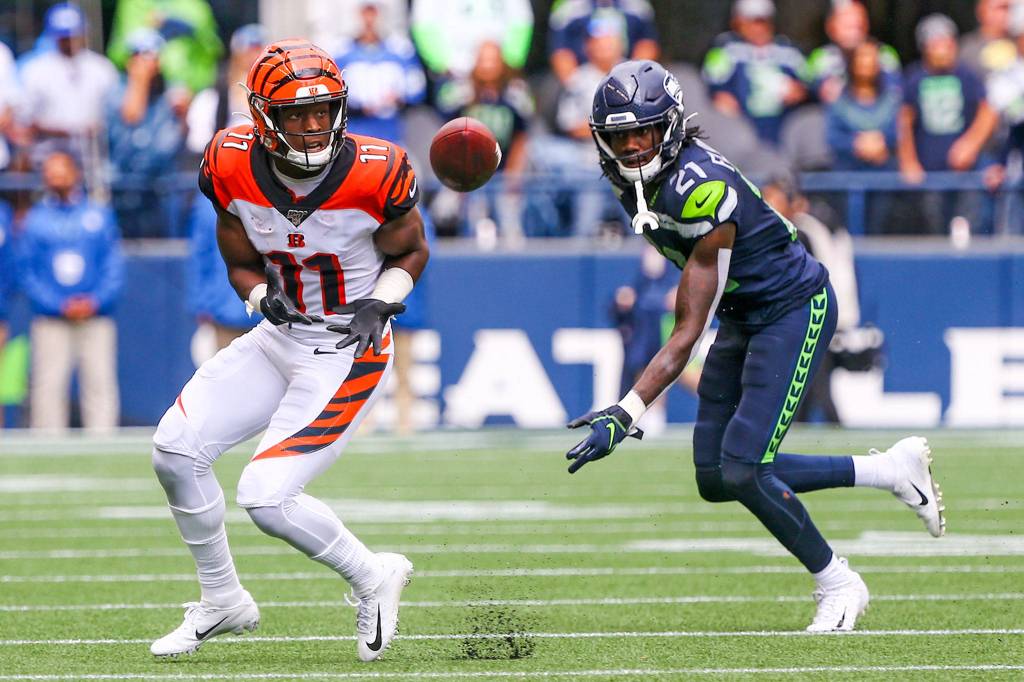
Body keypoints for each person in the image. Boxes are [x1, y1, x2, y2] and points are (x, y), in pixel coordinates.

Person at [566, 60, 946, 632]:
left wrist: (625, 412)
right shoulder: (632, 180)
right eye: (620, 137)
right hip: (747, 313)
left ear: (668, 127)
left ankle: (838, 580)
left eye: (643, 133)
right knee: (717, 475)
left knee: (745, 467)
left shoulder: (701, 190)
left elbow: (687, 333)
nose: (634, 148)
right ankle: (890, 470)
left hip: (794, 307)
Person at [149, 40, 426, 662]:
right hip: (280, 336)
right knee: (173, 449)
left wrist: (384, 299)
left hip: (346, 349)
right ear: (262, 115)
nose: (312, 126)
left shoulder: (376, 168)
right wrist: (254, 295)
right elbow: (240, 256)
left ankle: (372, 573)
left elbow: (412, 250)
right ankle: (223, 600)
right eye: (296, 114)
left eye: (323, 110)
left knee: (266, 495)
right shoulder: (229, 159)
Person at [19, 151, 122, 431]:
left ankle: (104, 448)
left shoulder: (98, 215)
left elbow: (112, 265)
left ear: (75, 173)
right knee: (48, 386)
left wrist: (95, 300)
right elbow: (28, 272)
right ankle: (47, 455)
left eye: (62, 169)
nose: (56, 176)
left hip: (95, 316)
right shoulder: (35, 220)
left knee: (99, 383)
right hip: (52, 319)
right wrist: (57, 304)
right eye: (50, 171)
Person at [898, 13, 999, 234]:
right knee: (932, 228)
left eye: (948, 42)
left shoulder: (966, 75)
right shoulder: (914, 78)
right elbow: (904, 121)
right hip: (929, 172)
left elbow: (988, 111)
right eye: (937, 43)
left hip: (964, 174)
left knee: (969, 227)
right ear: (925, 47)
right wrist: (909, 161)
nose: (944, 48)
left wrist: (971, 144)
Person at [106, 28, 187, 238]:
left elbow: (175, 141)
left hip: (161, 188)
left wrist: (183, 114)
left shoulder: (169, 92)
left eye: (154, 56)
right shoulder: (116, 91)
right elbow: (131, 117)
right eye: (142, 55)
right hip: (124, 188)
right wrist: (140, 80)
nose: (150, 62)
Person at [16, 3, 118, 168]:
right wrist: (58, 129)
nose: (70, 41)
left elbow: (113, 114)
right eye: (64, 36)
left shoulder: (101, 67)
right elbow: (24, 118)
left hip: (91, 157)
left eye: (74, 35)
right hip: (47, 156)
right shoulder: (35, 68)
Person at [701, 0, 807, 146]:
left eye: (762, 21)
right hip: (741, 131)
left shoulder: (789, 51)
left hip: (784, 130)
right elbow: (714, 88)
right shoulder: (725, 49)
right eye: (752, 21)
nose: (758, 28)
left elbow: (808, 85)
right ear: (737, 22)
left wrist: (800, 91)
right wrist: (721, 98)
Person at [334, 0, 426, 144]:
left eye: (374, 13)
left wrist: (398, 99)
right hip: (355, 135)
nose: (370, 20)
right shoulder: (341, 53)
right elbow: (331, 93)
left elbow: (416, 89)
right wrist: (357, 107)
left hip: (391, 133)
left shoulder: (401, 51)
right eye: (366, 13)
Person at [804, 0, 900, 104]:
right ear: (830, 27)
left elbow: (895, 93)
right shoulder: (821, 57)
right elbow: (807, 90)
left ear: (867, 25)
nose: (854, 31)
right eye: (847, 25)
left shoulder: (884, 55)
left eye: (858, 25)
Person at [547, 0, 659, 85]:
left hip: (628, 75)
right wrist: (578, 85)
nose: (604, 45)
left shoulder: (637, 5)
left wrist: (633, 80)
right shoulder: (567, 6)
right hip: (583, 77)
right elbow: (560, 52)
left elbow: (647, 43)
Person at [960, 0, 1017, 78]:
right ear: (982, 12)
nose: (1008, 13)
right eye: (1001, 8)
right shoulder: (967, 47)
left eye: (1010, 8)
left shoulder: (1019, 43)